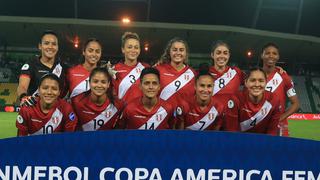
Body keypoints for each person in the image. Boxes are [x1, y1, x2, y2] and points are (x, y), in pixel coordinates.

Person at [17, 30, 69, 106]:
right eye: (46, 43)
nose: (50, 47)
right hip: (34, 110)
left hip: (56, 114)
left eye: (54, 44)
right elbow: (22, 86)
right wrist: (23, 97)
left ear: (57, 47)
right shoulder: (31, 64)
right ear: (40, 46)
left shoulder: (64, 67)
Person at [261, 42, 299, 136]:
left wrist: (279, 118)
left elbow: (296, 104)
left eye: (274, 53)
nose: (271, 56)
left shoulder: (284, 77)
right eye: (267, 53)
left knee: (278, 150)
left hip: (277, 128)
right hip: (258, 124)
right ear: (262, 55)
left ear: (278, 57)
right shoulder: (254, 75)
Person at [230, 67, 281, 135]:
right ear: (246, 82)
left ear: (266, 82)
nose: (257, 84)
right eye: (253, 80)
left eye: (261, 81)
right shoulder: (236, 99)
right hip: (239, 141)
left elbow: (272, 132)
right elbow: (232, 131)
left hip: (264, 142)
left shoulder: (274, 100)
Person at [155, 37, 196, 110]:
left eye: (181, 50)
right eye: (174, 50)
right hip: (162, 117)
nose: (178, 53)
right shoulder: (159, 70)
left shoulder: (193, 74)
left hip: (185, 118)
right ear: (169, 52)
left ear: (186, 53)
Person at [112, 32, 149, 103]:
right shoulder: (114, 69)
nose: (133, 50)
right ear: (123, 49)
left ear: (139, 50)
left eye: (136, 47)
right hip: (121, 111)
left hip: (141, 111)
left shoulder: (146, 68)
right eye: (129, 47)